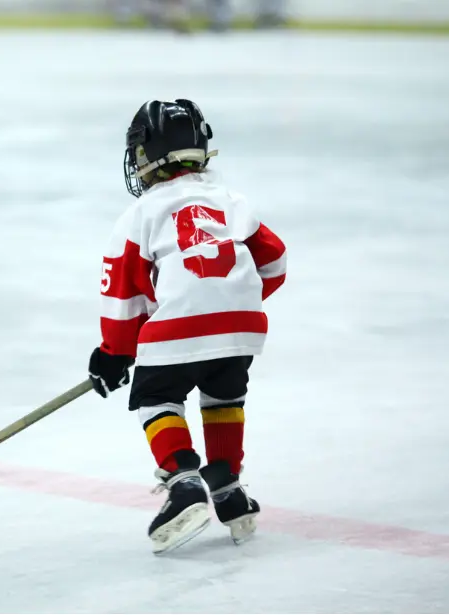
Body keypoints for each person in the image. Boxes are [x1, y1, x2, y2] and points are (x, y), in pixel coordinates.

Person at [87, 100, 287, 554]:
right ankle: (228, 487)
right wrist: (234, 298)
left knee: (157, 396)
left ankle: (183, 484)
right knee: (224, 394)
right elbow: (274, 261)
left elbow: (122, 293)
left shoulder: (141, 214)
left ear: (148, 156)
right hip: (240, 328)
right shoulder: (232, 201)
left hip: (179, 328)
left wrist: (114, 353)